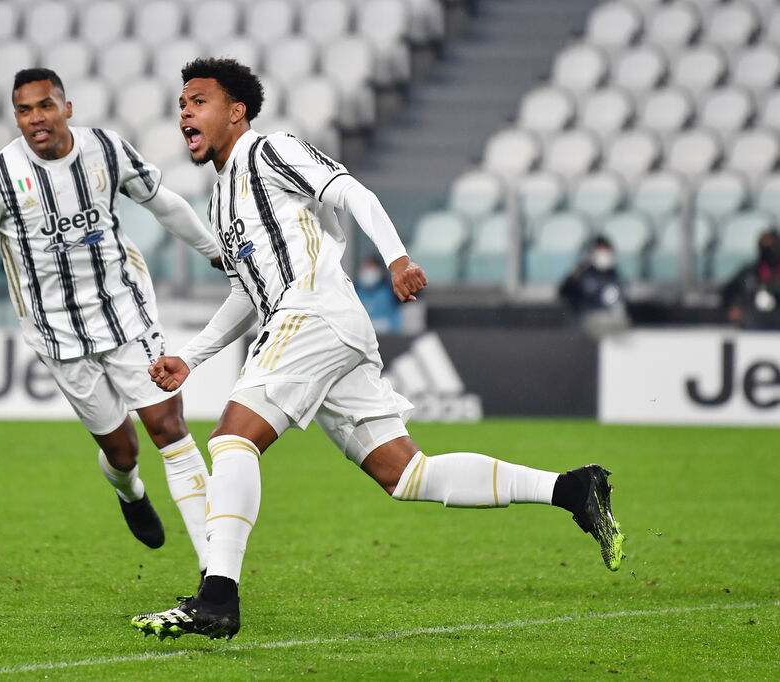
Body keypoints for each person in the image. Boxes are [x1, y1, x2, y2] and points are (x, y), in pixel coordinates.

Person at [129, 58, 625, 642]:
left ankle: (217, 598)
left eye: (199, 100)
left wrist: (396, 257)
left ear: (236, 111)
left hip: (311, 314)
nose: (185, 110)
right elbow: (246, 292)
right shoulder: (220, 200)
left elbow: (353, 194)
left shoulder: (272, 152)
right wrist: (193, 356)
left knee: (233, 439)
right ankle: (572, 488)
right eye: (181, 103)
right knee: (407, 473)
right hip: (325, 328)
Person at [0, 68, 221, 579]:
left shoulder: (106, 149)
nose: (36, 118)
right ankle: (129, 491)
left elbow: (163, 203)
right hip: (58, 336)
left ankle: (215, 572)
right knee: (122, 452)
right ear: (17, 117)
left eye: (45, 105)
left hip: (126, 314)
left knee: (169, 428)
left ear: (67, 107)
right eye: (24, 110)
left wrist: (214, 253)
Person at [558, 235, 629, 337]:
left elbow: (622, 298)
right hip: (586, 322)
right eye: (600, 250)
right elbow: (564, 292)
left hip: (612, 322)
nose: (604, 254)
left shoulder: (615, 276)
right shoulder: (583, 274)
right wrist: (575, 275)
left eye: (606, 250)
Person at [721, 228, 780, 330]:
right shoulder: (749, 273)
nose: (768, 246)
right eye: (764, 242)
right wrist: (733, 308)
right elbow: (728, 292)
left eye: (772, 242)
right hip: (752, 330)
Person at [355, 255, 402, 333]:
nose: (369, 272)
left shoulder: (390, 291)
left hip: (389, 339)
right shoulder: (354, 291)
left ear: (379, 270)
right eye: (366, 268)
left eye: (372, 268)